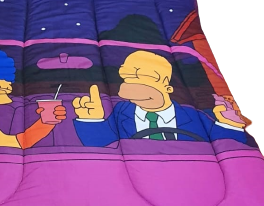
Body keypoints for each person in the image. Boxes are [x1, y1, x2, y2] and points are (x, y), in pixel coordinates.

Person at [73, 50, 248, 146]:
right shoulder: (121, 111)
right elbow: (99, 142)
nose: (134, 85)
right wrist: (92, 120)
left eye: (144, 77)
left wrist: (230, 124)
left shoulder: (193, 114)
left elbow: (227, 145)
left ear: (167, 86)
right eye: (128, 78)